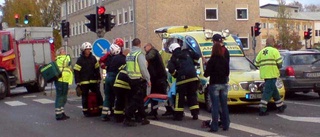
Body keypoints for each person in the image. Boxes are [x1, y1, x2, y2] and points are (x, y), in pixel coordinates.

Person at [254, 36, 287, 116]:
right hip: (272, 74)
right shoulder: (274, 51)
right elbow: (279, 63)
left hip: (265, 74)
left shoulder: (261, 52)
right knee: (268, 92)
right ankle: (262, 109)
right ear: (273, 42)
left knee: (274, 90)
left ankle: (280, 106)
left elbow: (256, 63)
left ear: (266, 43)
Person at [167, 42, 200, 121]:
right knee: (192, 95)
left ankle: (178, 116)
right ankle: (195, 114)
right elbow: (197, 56)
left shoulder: (173, 58)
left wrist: (176, 75)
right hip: (193, 77)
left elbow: (170, 68)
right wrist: (193, 64)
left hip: (182, 80)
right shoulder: (187, 52)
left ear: (172, 50)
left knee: (179, 97)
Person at [124, 38, 151, 126]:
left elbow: (127, 68)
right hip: (138, 80)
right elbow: (143, 68)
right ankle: (127, 117)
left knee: (139, 100)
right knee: (136, 100)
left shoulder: (129, 55)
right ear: (139, 44)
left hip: (130, 79)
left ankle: (142, 118)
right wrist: (148, 79)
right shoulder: (139, 54)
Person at [204, 42, 230, 132]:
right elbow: (227, 73)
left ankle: (214, 127)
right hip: (224, 84)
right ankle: (226, 125)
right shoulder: (225, 60)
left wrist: (206, 66)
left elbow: (206, 74)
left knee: (215, 106)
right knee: (224, 105)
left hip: (214, 84)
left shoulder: (212, 61)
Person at [144, 43, 174, 119]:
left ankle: (168, 110)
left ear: (149, 46)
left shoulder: (153, 51)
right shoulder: (152, 53)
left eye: (145, 47)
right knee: (155, 95)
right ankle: (154, 111)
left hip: (159, 78)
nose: (144, 48)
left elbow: (149, 57)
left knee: (162, 95)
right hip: (156, 78)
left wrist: (142, 58)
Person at [73, 42, 103, 117]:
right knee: (85, 97)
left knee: (98, 95)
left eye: (89, 49)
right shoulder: (80, 60)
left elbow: (96, 69)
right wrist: (78, 82)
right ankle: (86, 111)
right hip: (84, 82)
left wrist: (98, 78)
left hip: (93, 80)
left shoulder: (93, 58)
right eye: (87, 49)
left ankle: (99, 109)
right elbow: (76, 71)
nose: (88, 51)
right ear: (83, 50)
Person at [100, 43, 126, 121]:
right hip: (114, 77)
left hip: (107, 77)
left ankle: (104, 115)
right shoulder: (121, 58)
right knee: (118, 96)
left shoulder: (109, 58)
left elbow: (104, 65)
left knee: (107, 97)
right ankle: (117, 113)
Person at [54, 47, 73, 120]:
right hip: (61, 79)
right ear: (59, 52)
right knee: (60, 96)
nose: (64, 51)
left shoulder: (60, 58)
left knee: (63, 96)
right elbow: (67, 63)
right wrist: (68, 56)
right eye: (62, 50)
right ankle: (58, 114)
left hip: (64, 80)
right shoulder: (60, 59)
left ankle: (61, 112)